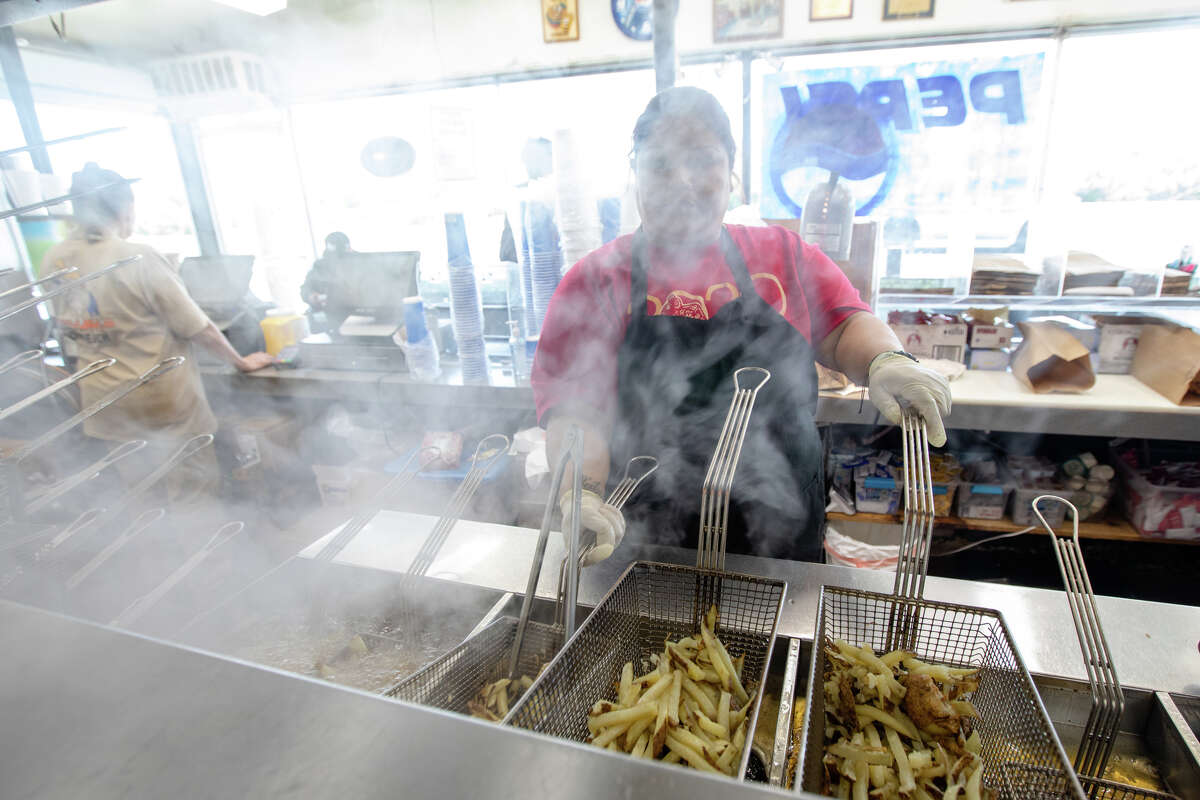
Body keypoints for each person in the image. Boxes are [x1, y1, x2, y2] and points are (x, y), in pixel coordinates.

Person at [531, 88, 951, 564]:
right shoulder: (595, 280)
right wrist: (580, 495)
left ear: (731, 172)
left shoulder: (783, 255)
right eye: (659, 165)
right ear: (636, 175)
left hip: (783, 533)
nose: (683, 181)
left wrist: (886, 360)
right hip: (643, 542)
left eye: (703, 160)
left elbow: (843, 325)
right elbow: (577, 411)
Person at [43, 163, 273, 505]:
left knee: (143, 499)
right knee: (193, 496)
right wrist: (242, 362)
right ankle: (201, 553)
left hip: (105, 405)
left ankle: (158, 555)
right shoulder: (133, 256)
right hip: (161, 406)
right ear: (125, 208)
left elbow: (69, 333)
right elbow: (199, 327)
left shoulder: (54, 260)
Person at [301, 231, 353, 312]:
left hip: (354, 312)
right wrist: (311, 296)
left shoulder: (358, 262)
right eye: (335, 256)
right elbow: (305, 289)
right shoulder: (319, 266)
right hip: (327, 312)